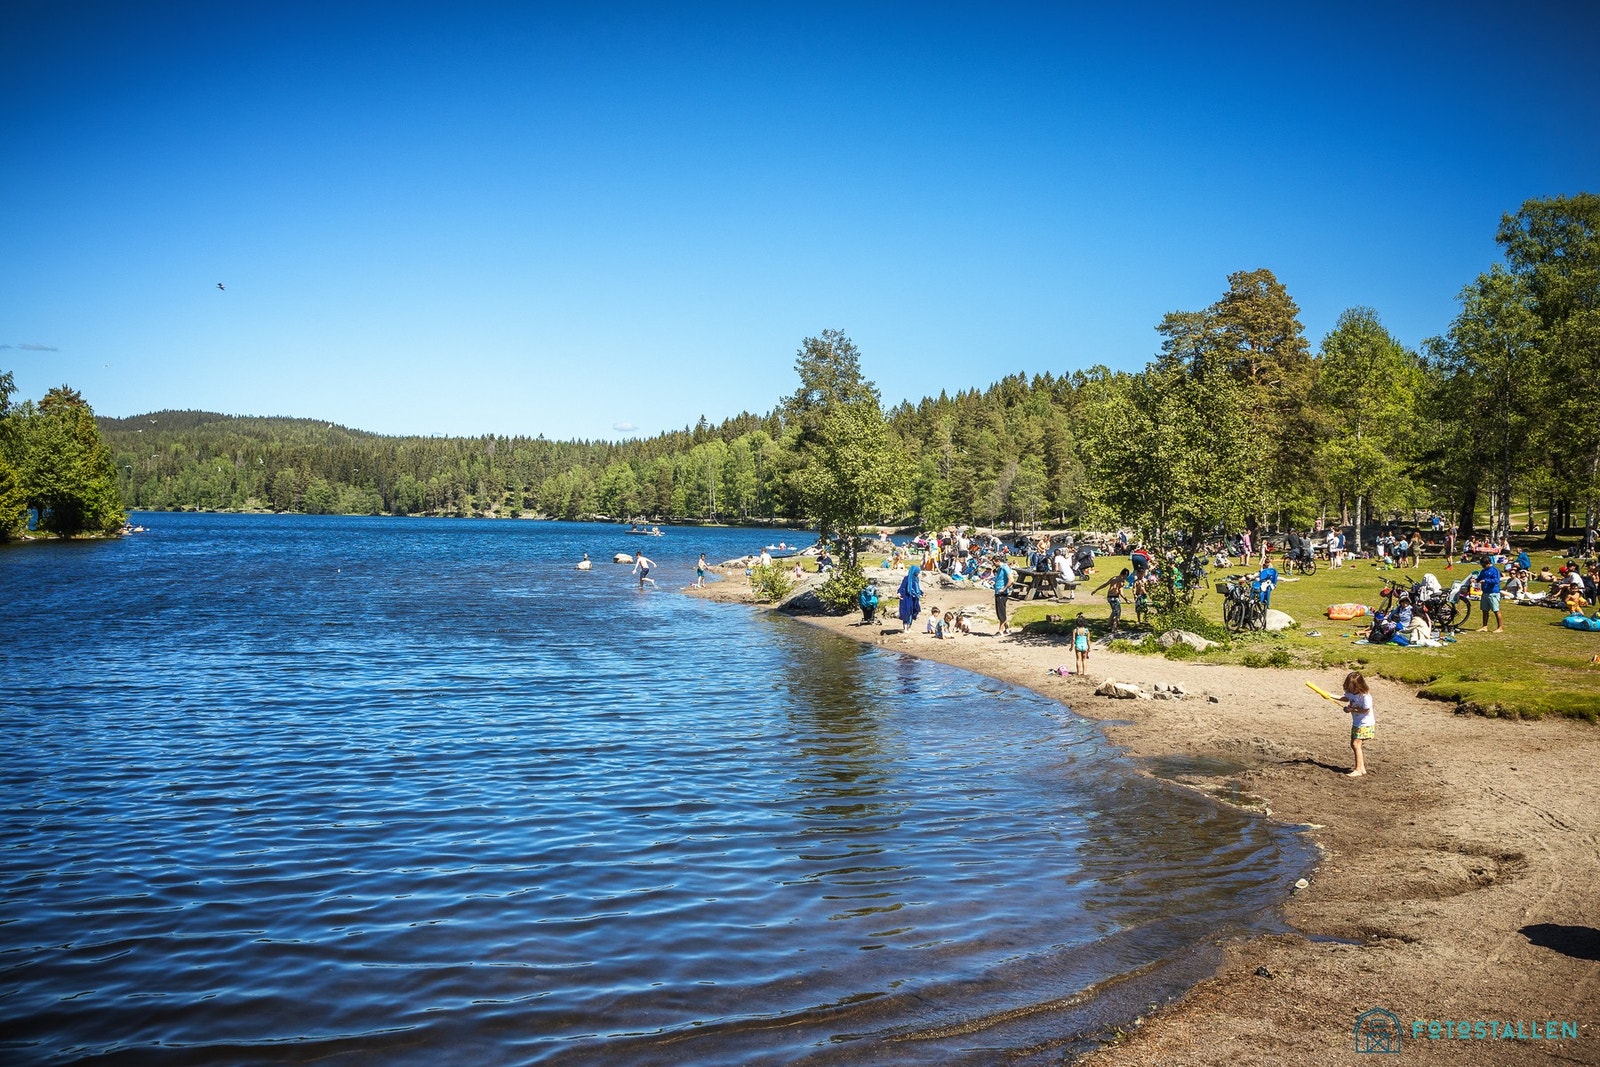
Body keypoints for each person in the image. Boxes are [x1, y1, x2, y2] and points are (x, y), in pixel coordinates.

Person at [1338, 671, 1375, 777]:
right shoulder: (1351, 692)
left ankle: (1358, 770)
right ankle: (1362, 768)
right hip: (1357, 723)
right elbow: (1345, 698)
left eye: (1352, 688)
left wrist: (1351, 709)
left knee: (1356, 744)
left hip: (1365, 724)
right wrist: (1329, 696)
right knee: (1354, 744)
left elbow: (1366, 710)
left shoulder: (1365, 696)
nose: (1350, 690)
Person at [1091, 568, 1129, 634]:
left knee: (1114, 611)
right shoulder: (1121, 581)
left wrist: (1096, 590)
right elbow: (1121, 592)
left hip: (1109, 597)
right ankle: (1114, 629)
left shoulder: (1113, 578)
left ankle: (1108, 624)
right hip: (1114, 598)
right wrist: (1126, 600)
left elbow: (1105, 584)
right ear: (1125, 574)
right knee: (1117, 613)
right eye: (1127, 576)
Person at [1476, 554, 1504, 633]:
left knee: (1496, 610)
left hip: (1493, 593)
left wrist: (1486, 581)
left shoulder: (1495, 570)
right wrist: (1475, 580)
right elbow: (1479, 578)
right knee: (1484, 610)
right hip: (1485, 592)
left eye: (1484, 565)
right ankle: (1484, 626)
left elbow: (1496, 581)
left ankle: (1500, 627)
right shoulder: (1483, 571)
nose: (1483, 567)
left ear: (1488, 563)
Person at [897, 565, 924, 632]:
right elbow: (902, 587)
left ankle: (909, 627)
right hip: (907, 598)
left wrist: (921, 593)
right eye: (917, 572)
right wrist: (899, 593)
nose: (918, 573)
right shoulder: (907, 578)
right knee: (907, 612)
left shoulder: (916, 579)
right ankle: (905, 628)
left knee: (913, 612)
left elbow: (917, 588)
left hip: (914, 599)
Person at [993, 556, 1015, 636]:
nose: (993, 564)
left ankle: (1000, 631)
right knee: (1002, 611)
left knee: (1001, 612)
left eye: (994, 562)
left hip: (1001, 593)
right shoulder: (1001, 568)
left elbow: (1011, 580)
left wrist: (1004, 589)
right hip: (998, 592)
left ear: (998, 561)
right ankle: (1007, 628)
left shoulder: (1005, 567)